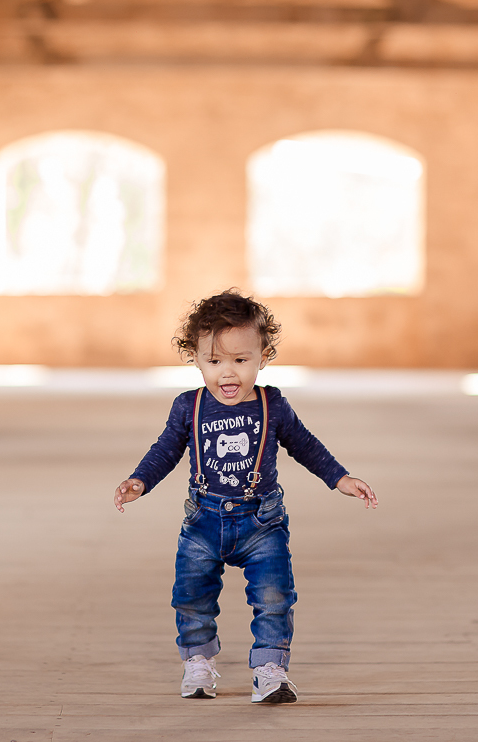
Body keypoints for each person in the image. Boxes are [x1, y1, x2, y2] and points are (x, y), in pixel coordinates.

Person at [113, 289, 379, 704]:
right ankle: (198, 662)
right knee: (191, 595)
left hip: (262, 522)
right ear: (195, 358)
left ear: (263, 356)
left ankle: (270, 670)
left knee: (274, 596)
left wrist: (339, 478)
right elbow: (165, 449)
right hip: (203, 521)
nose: (228, 373)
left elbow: (305, 445)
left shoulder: (273, 405)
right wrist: (139, 480)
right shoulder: (189, 406)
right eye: (214, 361)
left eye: (240, 360)